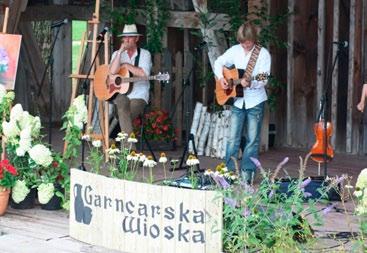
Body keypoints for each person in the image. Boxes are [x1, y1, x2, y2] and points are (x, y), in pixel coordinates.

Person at [213, 22, 271, 184]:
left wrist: (251, 82)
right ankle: (229, 173)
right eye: (243, 42)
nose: (245, 45)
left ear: (254, 39)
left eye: (249, 42)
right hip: (238, 101)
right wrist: (222, 78)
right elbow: (218, 62)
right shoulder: (235, 50)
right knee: (233, 138)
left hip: (255, 101)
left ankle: (247, 173)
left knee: (252, 139)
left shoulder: (263, 54)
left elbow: (264, 78)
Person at [109, 24, 152, 140]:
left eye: (130, 37)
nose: (126, 40)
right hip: (121, 94)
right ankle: (129, 150)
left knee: (124, 112)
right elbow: (112, 73)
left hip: (139, 95)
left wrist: (127, 65)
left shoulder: (144, 54)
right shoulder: (117, 54)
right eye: (124, 37)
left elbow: (144, 74)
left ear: (136, 39)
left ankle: (115, 140)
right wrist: (119, 53)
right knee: (122, 104)